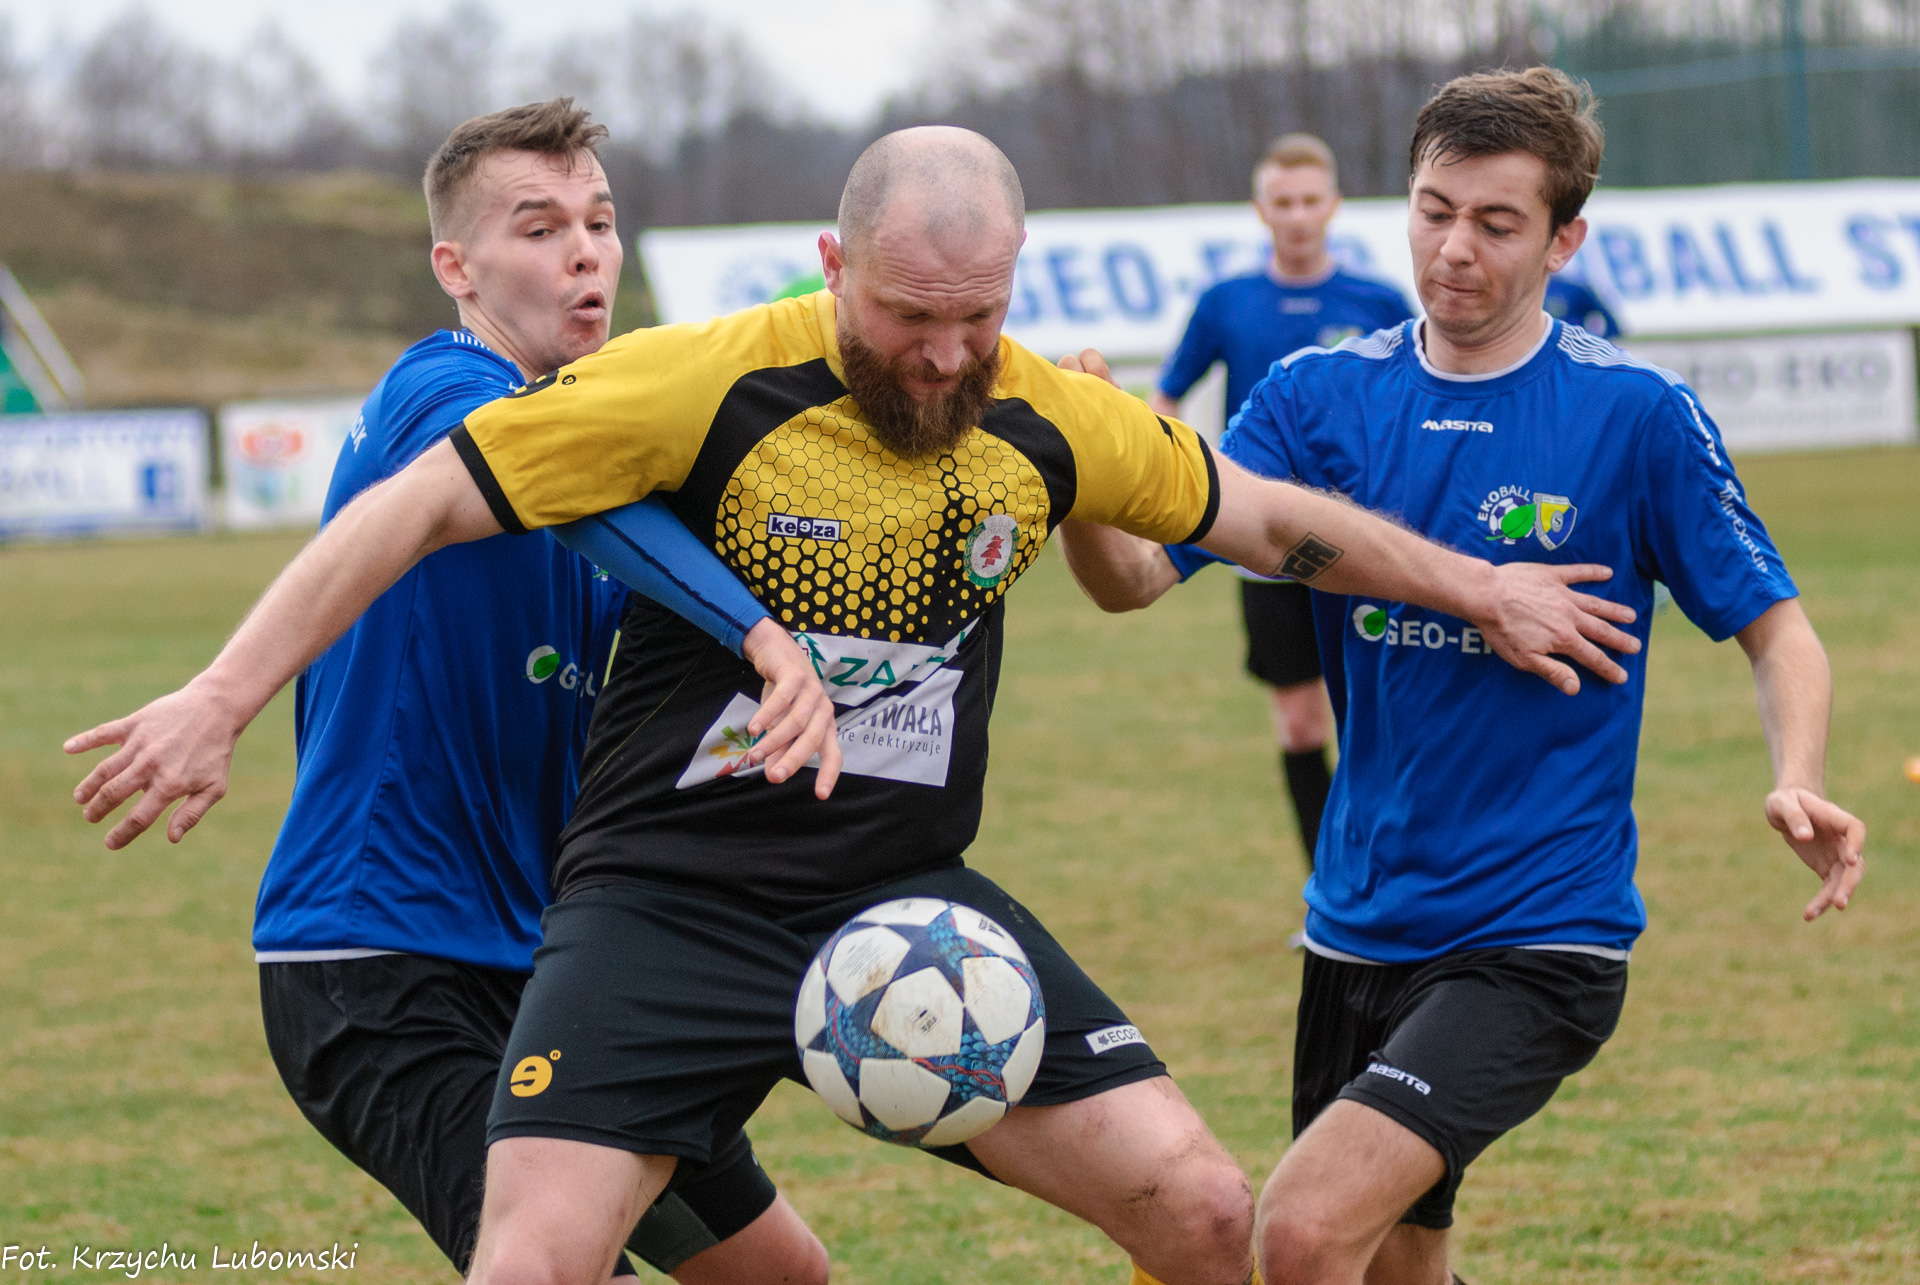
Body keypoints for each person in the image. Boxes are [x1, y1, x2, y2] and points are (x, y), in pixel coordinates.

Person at [69, 125, 1642, 1285]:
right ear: (836, 268)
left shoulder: (1046, 411)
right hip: (658, 911)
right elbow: (410, 509)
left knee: (1204, 1212)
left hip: (903, 912)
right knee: (532, 1265)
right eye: (910, 317)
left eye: (980, 315)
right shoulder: (697, 381)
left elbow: (1269, 518)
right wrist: (221, 692)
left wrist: (1478, 584)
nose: (949, 353)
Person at [1054, 69, 1865, 1285]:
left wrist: (1796, 775)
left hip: (1540, 933)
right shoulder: (1319, 399)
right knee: (1394, 1267)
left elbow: (1779, 632)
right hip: (1358, 924)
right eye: (1435, 211)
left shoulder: (1633, 413)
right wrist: (1084, 459)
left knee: (1306, 1230)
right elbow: (1128, 579)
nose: (1455, 250)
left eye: (1496, 223)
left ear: (1563, 238)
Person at [83, 99, 836, 1284]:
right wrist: (759, 632)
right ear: (457, 266)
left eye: (599, 220)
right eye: (538, 228)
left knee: (778, 1273)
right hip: (383, 962)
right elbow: (556, 473)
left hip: (564, 971)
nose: (583, 250)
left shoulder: (615, 460)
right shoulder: (444, 391)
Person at [1149, 134, 1414, 872]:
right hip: (1260, 544)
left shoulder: (1378, 302)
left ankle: (1397, 877)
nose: (1297, 216)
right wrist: (1179, 477)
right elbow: (1166, 398)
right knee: (1300, 726)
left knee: (1377, 719)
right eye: (1282, 202)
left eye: (1309, 201)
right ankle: (1329, 884)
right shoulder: (1226, 302)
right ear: (1261, 210)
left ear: (1332, 205)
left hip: (1367, 541)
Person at [1544, 270, 1622, 338]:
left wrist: (1607, 336)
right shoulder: (1537, 291)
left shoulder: (1572, 288)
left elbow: (1606, 318)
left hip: (1573, 344)